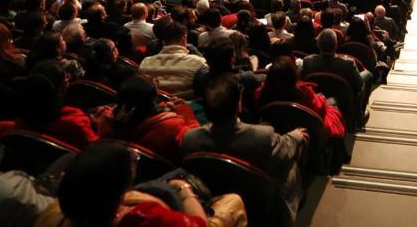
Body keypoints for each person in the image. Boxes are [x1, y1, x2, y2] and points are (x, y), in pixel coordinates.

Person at [181, 75, 308, 221]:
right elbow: (287, 147)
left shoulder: (189, 140)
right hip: (258, 202)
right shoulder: (263, 136)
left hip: (215, 197)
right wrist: (296, 135)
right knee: (290, 164)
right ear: (239, 105)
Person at [55, 140, 246, 227]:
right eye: (133, 161)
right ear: (121, 183)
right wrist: (183, 188)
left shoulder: (59, 213)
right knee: (232, 201)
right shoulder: (145, 218)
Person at [0, 62, 99, 149]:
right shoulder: (75, 122)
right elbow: (96, 150)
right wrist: (101, 125)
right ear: (61, 89)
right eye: (65, 82)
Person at [99, 75, 198, 164]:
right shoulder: (170, 126)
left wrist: (163, 108)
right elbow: (195, 144)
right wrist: (186, 112)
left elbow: (137, 111)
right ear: (154, 98)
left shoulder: (105, 121)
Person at [138, 19, 209, 99]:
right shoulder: (198, 63)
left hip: (156, 109)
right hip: (185, 109)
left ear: (164, 42)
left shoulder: (145, 63)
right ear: (184, 39)